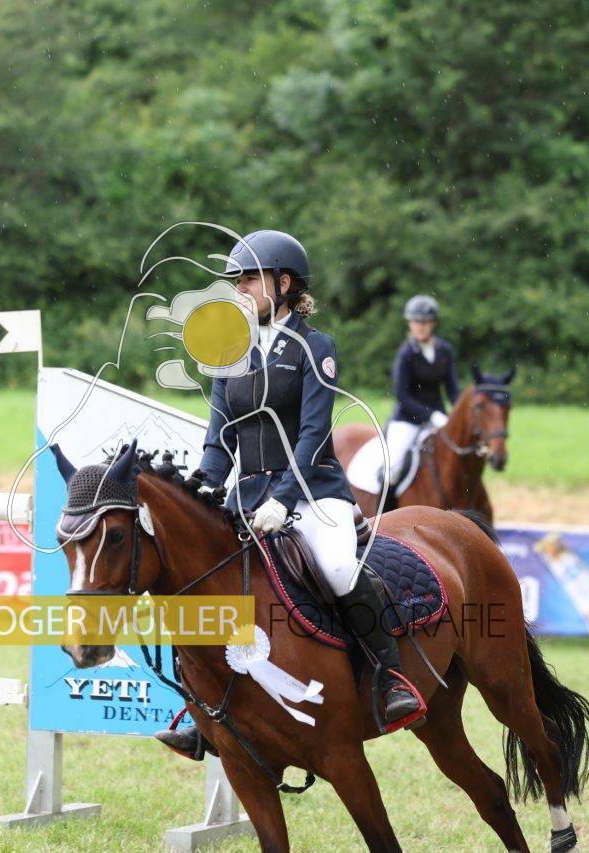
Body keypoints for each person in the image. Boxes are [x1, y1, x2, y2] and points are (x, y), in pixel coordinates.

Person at [155, 230, 423, 758]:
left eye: (249, 280)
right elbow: (219, 440)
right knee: (204, 579)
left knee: (338, 569)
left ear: (283, 284)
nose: (239, 290)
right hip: (248, 498)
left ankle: (389, 677)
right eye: (236, 281)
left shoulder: (314, 347)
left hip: (312, 491)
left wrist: (283, 496)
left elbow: (314, 432)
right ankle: (200, 706)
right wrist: (201, 490)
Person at [384, 294, 460, 488]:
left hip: (439, 419)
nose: (420, 326)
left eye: (425, 322)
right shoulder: (406, 353)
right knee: (392, 468)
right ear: (410, 323)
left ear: (433, 323)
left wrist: (458, 413)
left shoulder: (445, 350)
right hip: (407, 420)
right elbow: (402, 396)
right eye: (416, 321)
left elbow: (452, 389)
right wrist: (430, 415)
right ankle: (385, 504)